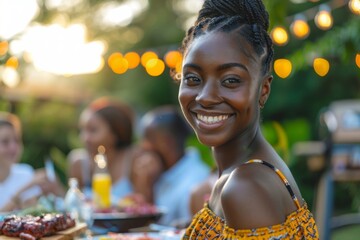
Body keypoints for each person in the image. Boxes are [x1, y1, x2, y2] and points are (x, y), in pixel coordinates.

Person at [172, 0, 319, 238]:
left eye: (230, 80)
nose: (206, 97)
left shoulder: (245, 187)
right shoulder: (245, 172)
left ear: (263, 90)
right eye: (193, 78)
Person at [132, 105, 211, 226]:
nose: (142, 146)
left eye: (148, 139)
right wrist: (145, 185)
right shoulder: (161, 172)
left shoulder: (193, 184)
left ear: (167, 142)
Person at [67, 97, 136, 204]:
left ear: (115, 134)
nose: (85, 138)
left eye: (93, 130)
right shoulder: (78, 163)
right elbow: (74, 205)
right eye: (82, 129)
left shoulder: (135, 160)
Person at [0, 112, 65, 212]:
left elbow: (37, 212)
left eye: (17, 140)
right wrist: (25, 188)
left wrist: (55, 189)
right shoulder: (29, 181)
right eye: (5, 142)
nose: (13, 147)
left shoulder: (25, 172)